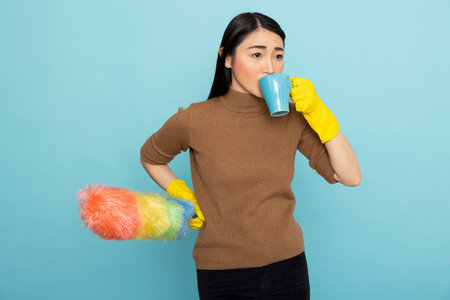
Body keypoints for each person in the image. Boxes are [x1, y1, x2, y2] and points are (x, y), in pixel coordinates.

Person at [140, 12, 361, 300]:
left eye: (278, 56)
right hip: (221, 273)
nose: (270, 67)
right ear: (227, 58)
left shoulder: (294, 118)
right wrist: (180, 191)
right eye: (257, 55)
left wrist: (320, 114)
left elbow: (350, 176)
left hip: (289, 266)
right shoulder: (195, 120)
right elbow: (150, 157)